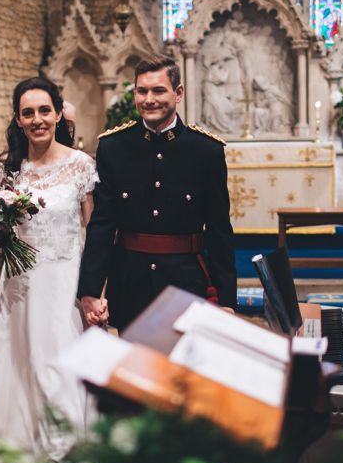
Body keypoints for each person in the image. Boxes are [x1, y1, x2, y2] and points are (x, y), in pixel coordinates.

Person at [0, 77, 97, 463]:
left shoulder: (81, 166)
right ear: (18, 118)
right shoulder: (5, 169)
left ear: (58, 113)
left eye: (44, 110)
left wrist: (95, 291)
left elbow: (92, 231)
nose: (37, 120)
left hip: (65, 285)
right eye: (28, 112)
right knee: (23, 372)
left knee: (60, 374)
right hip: (20, 287)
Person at [78, 53, 236, 331]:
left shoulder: (206, 151)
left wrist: (226, 300)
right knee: (133, 369)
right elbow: (102, 224)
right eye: (142, 91)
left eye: (158, 90)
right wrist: (90, 288)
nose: (149, 99)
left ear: (178, 93)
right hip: (130, 281)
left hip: (186, 281)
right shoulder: (113, 147)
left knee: (184, 369)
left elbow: (219, 229)